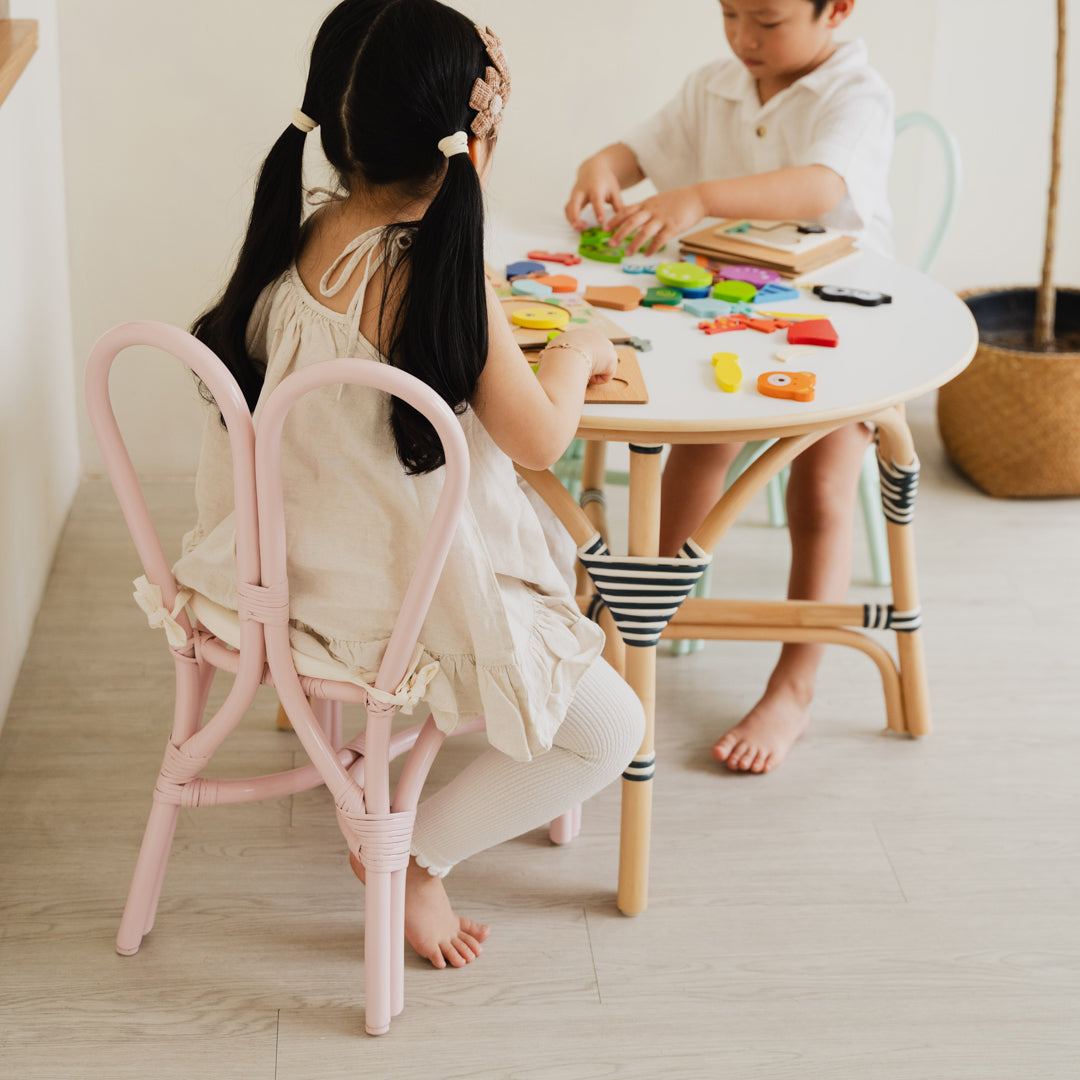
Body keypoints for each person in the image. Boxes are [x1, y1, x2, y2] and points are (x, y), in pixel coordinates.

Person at [173, 0, 644, 970]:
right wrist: (581, 350)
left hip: (276, 581)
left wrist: (465, 162)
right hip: (392, 609)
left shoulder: (290, 238)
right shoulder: (442, 279)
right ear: (473, 136)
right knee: (613, 730)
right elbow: (542, 437)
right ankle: (414, 856)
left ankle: (395, 812)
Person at [564, 0, 893, 774]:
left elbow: (819, 186)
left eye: (769, 21)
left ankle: (794, 686)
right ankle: (633, 636)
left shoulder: (857, 91)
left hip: (843, 331)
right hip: (734, 326)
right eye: (731, 13)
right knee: (696, 450)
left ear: (836, 10)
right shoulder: (713, 84)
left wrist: (702, 197)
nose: (746, 37)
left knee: (820, 493)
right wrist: (600, 172)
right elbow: (631, 152)